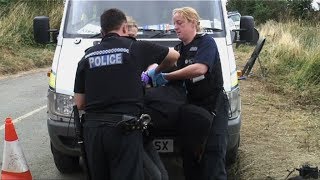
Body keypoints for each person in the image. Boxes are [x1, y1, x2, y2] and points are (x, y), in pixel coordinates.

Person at [73, 8, 179, 180]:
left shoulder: (86, 57)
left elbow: (79, 103)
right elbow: (174, 56)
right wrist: (155, 73)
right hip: (123, 130)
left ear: (102, 32)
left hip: (93, 132)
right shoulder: (134, 47)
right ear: (124, 28)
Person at [149, 7, 229, 180]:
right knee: (190, 155)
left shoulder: (206, 43)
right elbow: (163, 61)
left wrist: (168, 76)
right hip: (191, 108)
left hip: (213, 104)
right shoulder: (179, 49)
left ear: (193, 23)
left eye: (180, 23)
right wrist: (152, 72)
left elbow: (200, 68)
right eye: (174, 24)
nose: (176, 27)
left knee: (213, 155)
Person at [126, 15, 169, 180]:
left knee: (161, 175)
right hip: (127, 128)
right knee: (155, 175)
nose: (133, 40)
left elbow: (155, 63)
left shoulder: (138, 50)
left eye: (135, 37)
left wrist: (152, 71)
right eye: (130, 36)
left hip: (141, 124)